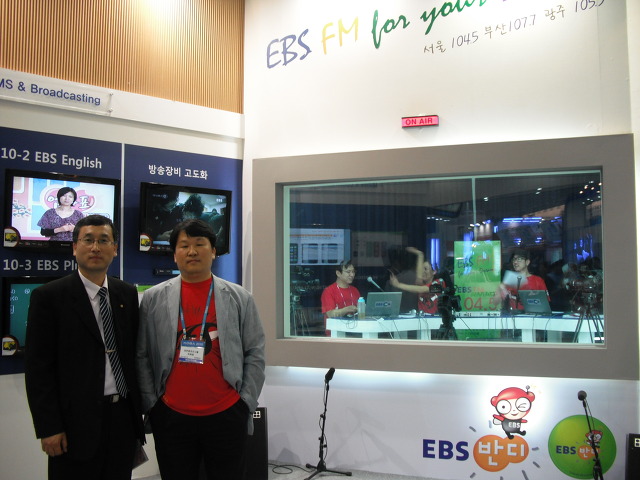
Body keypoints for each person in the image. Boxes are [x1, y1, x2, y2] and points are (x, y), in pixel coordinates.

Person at [136, 219, 265, 480]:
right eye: (184, 245)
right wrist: (153, 405)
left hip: (227, 413)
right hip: (171, 415)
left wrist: (244, 403)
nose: (192, 251)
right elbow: (142, 354)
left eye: (199, 244)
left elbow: (255, 351)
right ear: (175, 254)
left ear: (213, 251)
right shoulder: (153, 298)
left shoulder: (240, 297)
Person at [25, 214, 145, 480]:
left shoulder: (126, 293)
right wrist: (49, 427)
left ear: (115, 249)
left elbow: (133, 355)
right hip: (74, 423)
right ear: (74, 247)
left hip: (122, 418)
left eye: (104, 240)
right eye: (88, 240)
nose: (95, 247)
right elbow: (38, 369)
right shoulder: (49, 297)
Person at [389, 247, 445, 315]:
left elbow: (423, 289)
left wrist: (398, 285)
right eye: (422, 269)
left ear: (434, 272)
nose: (423, 272)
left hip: (435, 318)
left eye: (426, 269)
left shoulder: (440, 284)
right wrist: (420, 255)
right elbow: (419, 277)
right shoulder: (421, 284)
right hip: (422, 318)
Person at [321, 260, 361, 325]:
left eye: (353, 272)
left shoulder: (355, 290)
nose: (352, 275)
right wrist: (347, 309)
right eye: (348, 272)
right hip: (335, 329)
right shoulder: (328, 291)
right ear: (338, 273)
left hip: (353, 327)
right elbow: (330, 314)